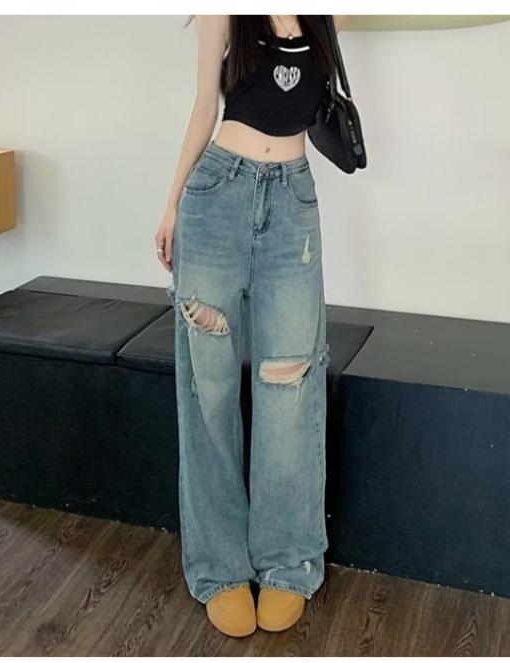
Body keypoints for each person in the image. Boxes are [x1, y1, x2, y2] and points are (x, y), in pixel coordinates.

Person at [154, 14, 350, 638]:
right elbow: (202, 108)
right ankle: (219, 566)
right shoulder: (226, 11)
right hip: (217, 196)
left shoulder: (323, 14)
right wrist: (171, 205)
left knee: (291, 388)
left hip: (292, 204)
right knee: (208, 389)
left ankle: (288, 561)